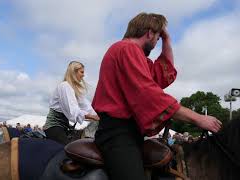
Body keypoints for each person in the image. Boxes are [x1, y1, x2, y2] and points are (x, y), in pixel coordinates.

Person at [92, 12, 222, 180]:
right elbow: (149, 95)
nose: (156, 43)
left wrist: (167, 41)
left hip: (131, 134)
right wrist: (198, 118)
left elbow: (162, 73)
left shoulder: (135, 55)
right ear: (149, 33)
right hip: (117, 134)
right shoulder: (127, 49)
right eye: (158, 38)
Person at [43, 61, 100, 145]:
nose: (83, 75)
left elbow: (86, 107)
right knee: (66, 151)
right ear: (74, 72)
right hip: (53, 126)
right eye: (82, 72)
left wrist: (99, 117)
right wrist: (93, 117)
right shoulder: (65, 86)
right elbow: (73, 111)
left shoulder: (75, 90)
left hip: (64, 126)